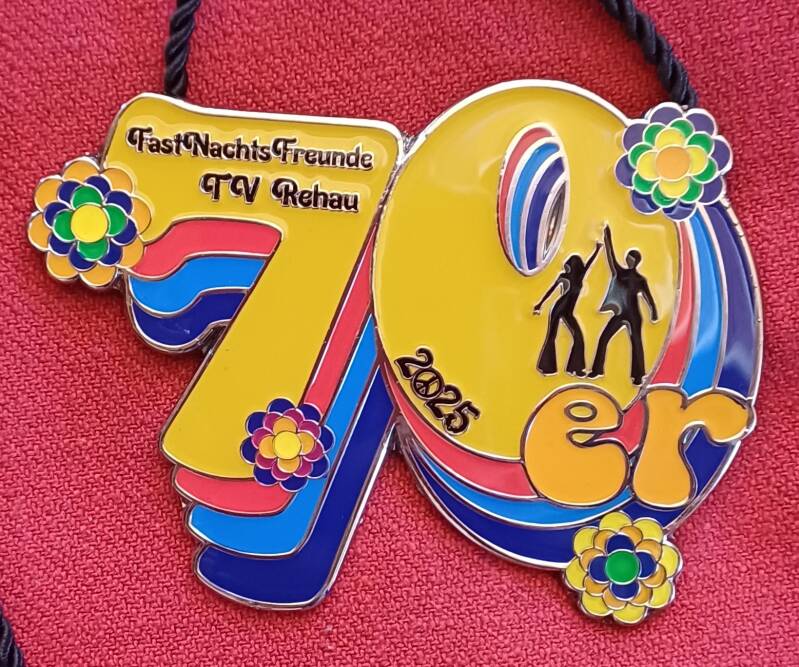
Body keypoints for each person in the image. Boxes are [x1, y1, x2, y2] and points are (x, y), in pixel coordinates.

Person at [589, 225, 658, 385]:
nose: (629, 260)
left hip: (634, 315)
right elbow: (611, 257)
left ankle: (638, 376)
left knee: (636, 342)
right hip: (620, 313)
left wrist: (653, 312)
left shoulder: (640, 280)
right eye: (628, 258)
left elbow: (648, 297)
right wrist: (607, 238)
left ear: (636, 262)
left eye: (632, 259)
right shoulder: (620, 273)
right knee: (604, 337)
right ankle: (597, 369)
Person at [534, 242, 602, 376]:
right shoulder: (563, 277)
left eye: (570, 264)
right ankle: (547, 367)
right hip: (558, 308)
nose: (567, 266)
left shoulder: (579, 277)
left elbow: (589, 264)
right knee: (551, 336)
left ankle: (575, 368)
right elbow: (551, 291)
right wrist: (540, 304)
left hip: (568, 312)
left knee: (578, 337)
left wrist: (597, 250)